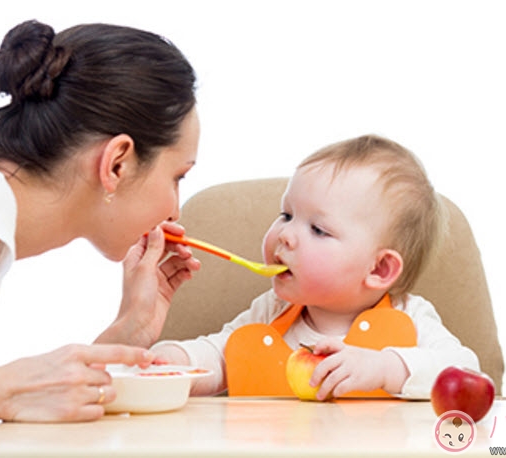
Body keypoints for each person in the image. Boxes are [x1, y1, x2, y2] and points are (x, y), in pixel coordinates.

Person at [0, 20, 201, 455]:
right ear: (117, 163)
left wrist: (127, 331)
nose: (175, 210)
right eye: (178, 176)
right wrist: (3, 387)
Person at [151, 134, 480, 400]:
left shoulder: (410, 318)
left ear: (379, 269)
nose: (286, 235)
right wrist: (175, 360)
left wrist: (386, 367)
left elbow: (466, 371)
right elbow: (221, 354)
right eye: (287, 215)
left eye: (318, 230)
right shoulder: (272, 311)